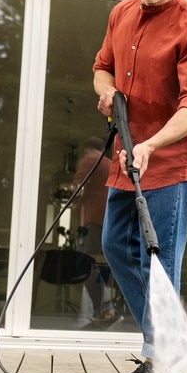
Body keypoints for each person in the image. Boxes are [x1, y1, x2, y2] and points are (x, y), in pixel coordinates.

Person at [92, 0, 187, 373]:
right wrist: (107, 92)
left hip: (168, 164)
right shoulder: (120, 14)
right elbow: (102, 67)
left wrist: (151, 144)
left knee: (158, 262)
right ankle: (169, 340)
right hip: (126, 157)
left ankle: (159, 358)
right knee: (114, 245)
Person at [69, 136, 116, 327]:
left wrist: (71, 201)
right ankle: (108, 308)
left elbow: (77, 187)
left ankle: (101, 309)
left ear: (86, 148)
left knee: (85, 264)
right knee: (103, 264)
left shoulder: (90, 159)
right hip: (109, 220)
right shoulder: (110, 163)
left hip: (94, 220)